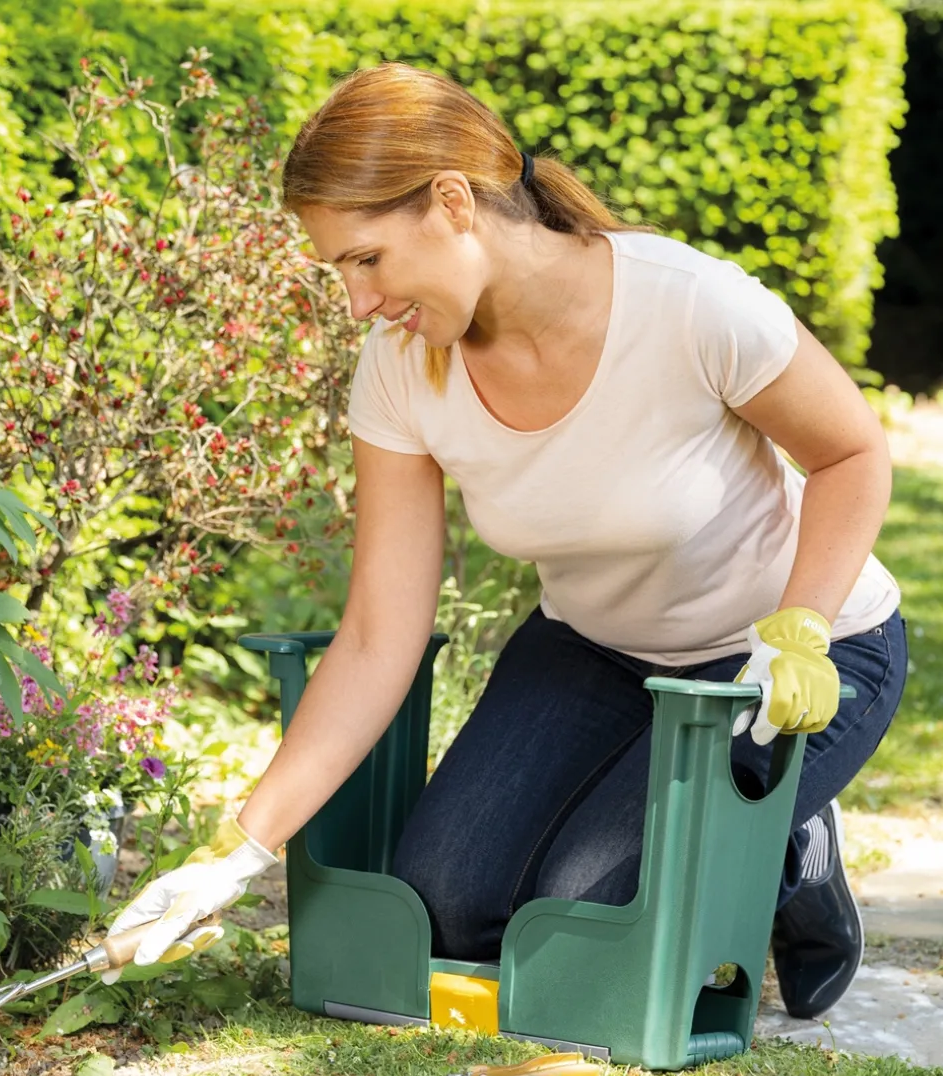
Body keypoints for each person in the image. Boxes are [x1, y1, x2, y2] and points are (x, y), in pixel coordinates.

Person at [102, 62, 907, 1020]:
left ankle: (790, 838)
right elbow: (376, 634)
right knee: (449, 906)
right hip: (596, 652)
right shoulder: (402, 368)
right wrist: (237, 849)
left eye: (366, 259)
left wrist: (801, 627)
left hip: (786, 666)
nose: (358, 301)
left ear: (451, 202)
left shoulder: (691, 306)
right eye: (340, 272)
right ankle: (745, 821)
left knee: (586, 916)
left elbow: (851, 453)